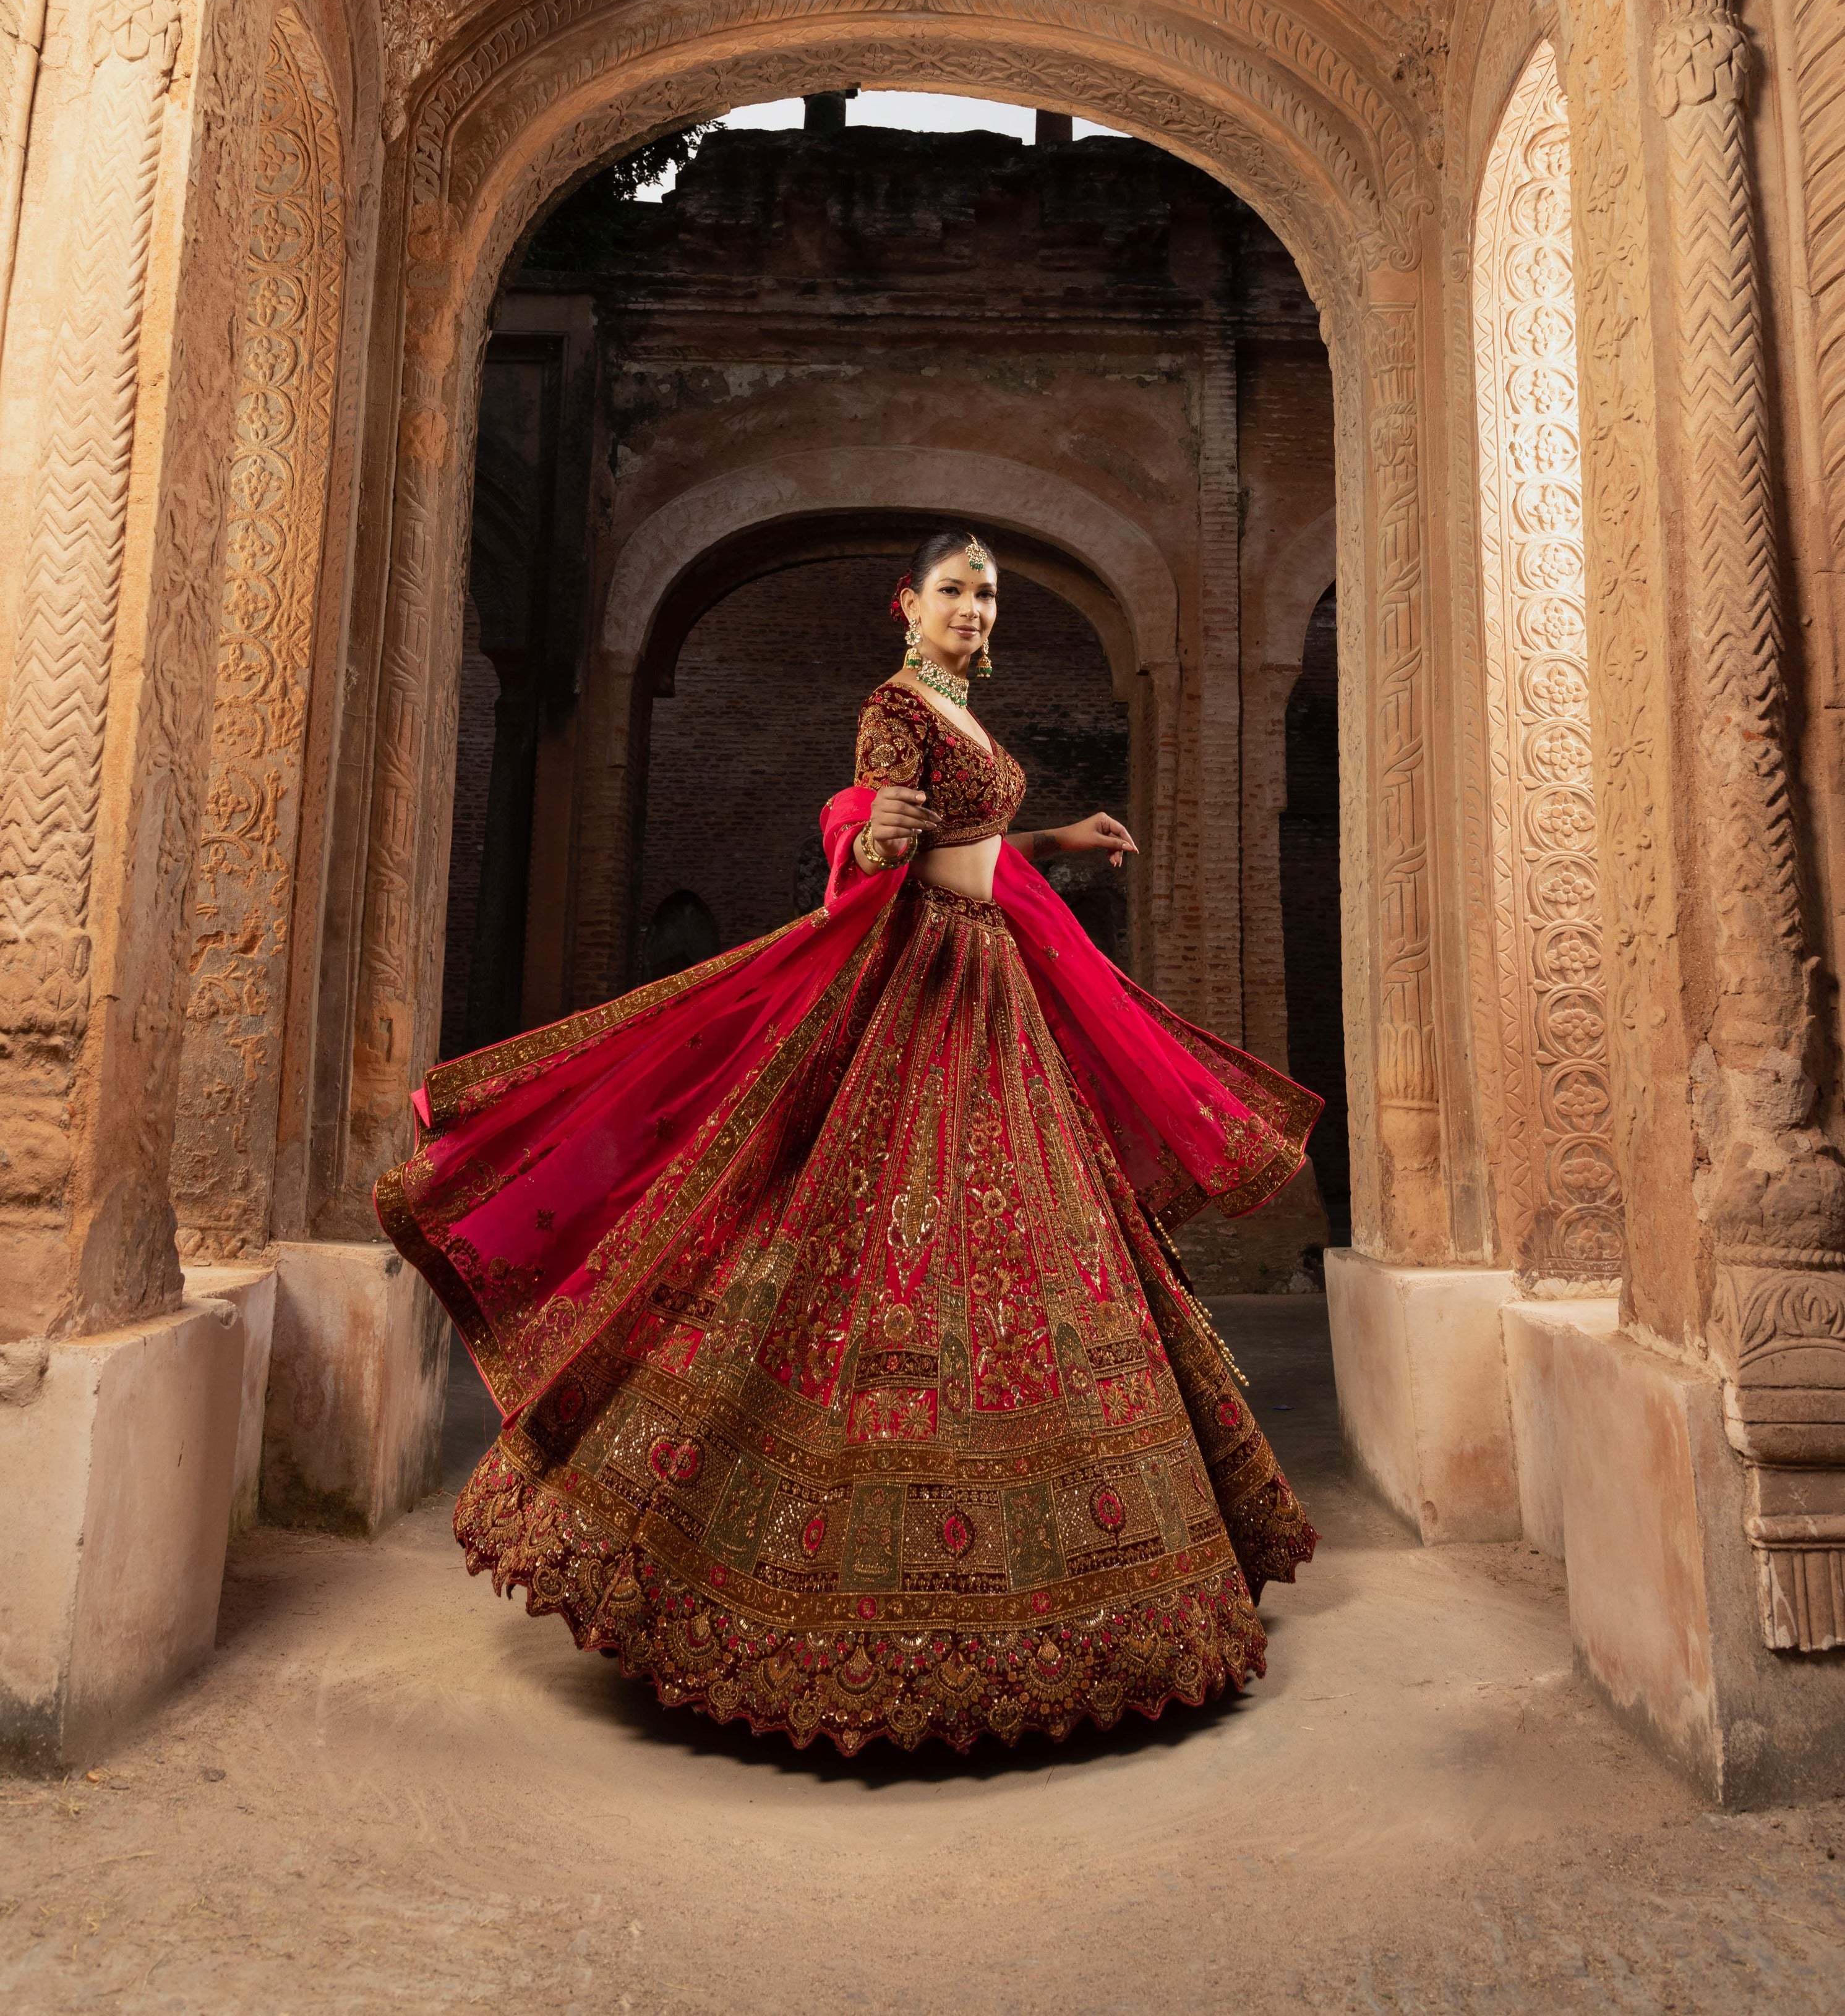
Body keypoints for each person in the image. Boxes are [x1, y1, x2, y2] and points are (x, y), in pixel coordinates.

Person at [378, 524, 1320, 1754]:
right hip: (922, 989)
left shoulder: (963, 717)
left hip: (991, 984)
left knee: (1032, 1249)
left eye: (986, 594)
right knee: (867, 1239)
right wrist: (871, 834)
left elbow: (962, 853)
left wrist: (1053, 841)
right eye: (953, 592)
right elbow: (884, 845)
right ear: (907, 604)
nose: (974, 610)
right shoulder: (894, 709)